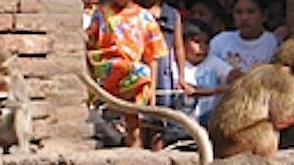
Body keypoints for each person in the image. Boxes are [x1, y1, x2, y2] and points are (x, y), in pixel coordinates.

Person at [85, 0, 169, 148]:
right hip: (105, 69)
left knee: (133, 124)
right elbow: (90, 43)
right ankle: (112, 107)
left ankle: (135, 153)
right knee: (121, 66)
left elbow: (153, 57)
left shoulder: (145, 18)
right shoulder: (101, 13)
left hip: (131, 79)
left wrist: (152, 89)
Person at [164, 18, 233, 144]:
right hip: (180, 127)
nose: (202, 47)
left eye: (206, 43)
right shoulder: (174, 65)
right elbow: (189, 90)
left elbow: (232, 75)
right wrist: (216, 91)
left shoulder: (212, 61)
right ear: (182, 43)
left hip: (208, 124)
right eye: (196, 42)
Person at [142, 0, 186, 148]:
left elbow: (178, 47)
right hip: (143, 65)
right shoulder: (137, 12)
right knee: (142, 114)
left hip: (164, 69)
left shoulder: (172, 15)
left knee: (161, 116)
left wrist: (181, 76)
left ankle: (158, 152)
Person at [209, 0, 279, 81]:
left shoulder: (273, 43)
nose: (244, 17)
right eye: (238, 12)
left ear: (264, 15)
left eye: (251, 12)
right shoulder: (220, 41)